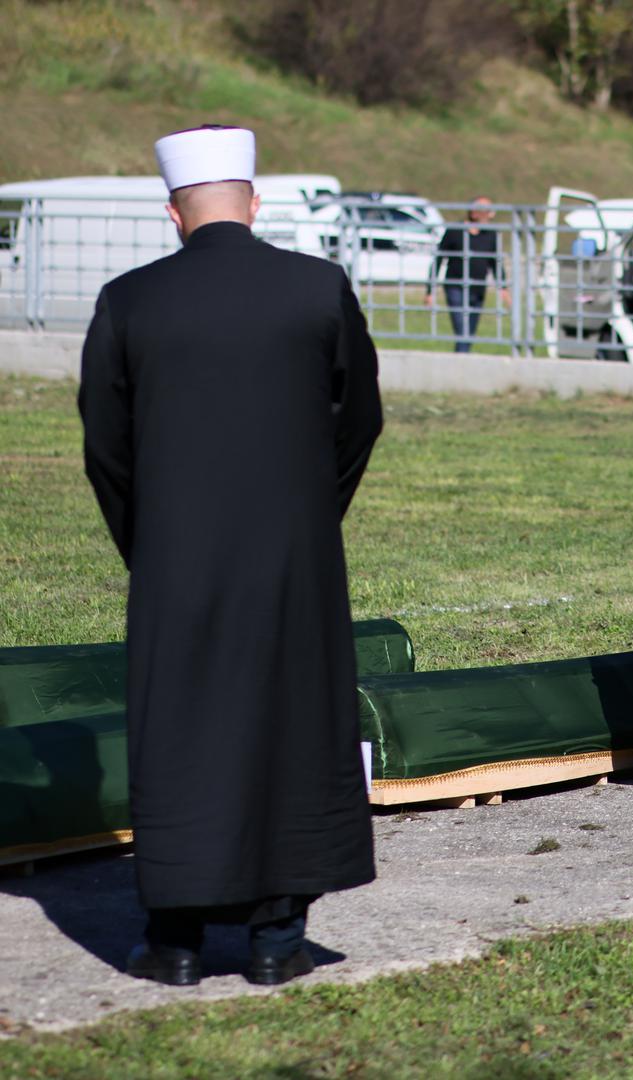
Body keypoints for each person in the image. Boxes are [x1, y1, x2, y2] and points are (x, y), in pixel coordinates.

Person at [78, 125, 383, 987]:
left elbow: (106, 446)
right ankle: (278, 939)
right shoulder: (318, 289)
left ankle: (173, 940)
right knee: (292, 726)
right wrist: (312, 518)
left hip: (176, 555)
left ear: (174, 213)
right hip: (293, 556)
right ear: (253, 203)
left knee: (182, 733)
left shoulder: (129, 301)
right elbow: (358, 421)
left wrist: (150, 539)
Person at [425, 197, 507, 353]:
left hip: (478, 289)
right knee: (462, 332)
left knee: (469, 333)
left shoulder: (490, 235)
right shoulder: (455, 231)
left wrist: (503, 287)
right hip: (455, 287)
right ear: (475, 213)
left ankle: (460, 361)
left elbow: (496, 262)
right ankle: (461, 363)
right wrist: (430, 290)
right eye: (487, 211)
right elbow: (439, 259)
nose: (491, 215)